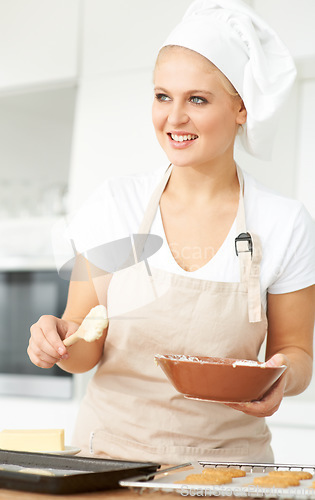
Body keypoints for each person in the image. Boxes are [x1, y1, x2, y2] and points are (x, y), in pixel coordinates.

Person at [28, 0, 315, 464]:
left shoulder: (284, 222)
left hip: (230, 467)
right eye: (163, 96)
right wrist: (58, 341)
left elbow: (296, 351)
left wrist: (282, 377)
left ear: (242, 108)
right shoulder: (115, 204)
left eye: (196, 99)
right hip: (109, 461)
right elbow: (84, 342)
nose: (173, 118)